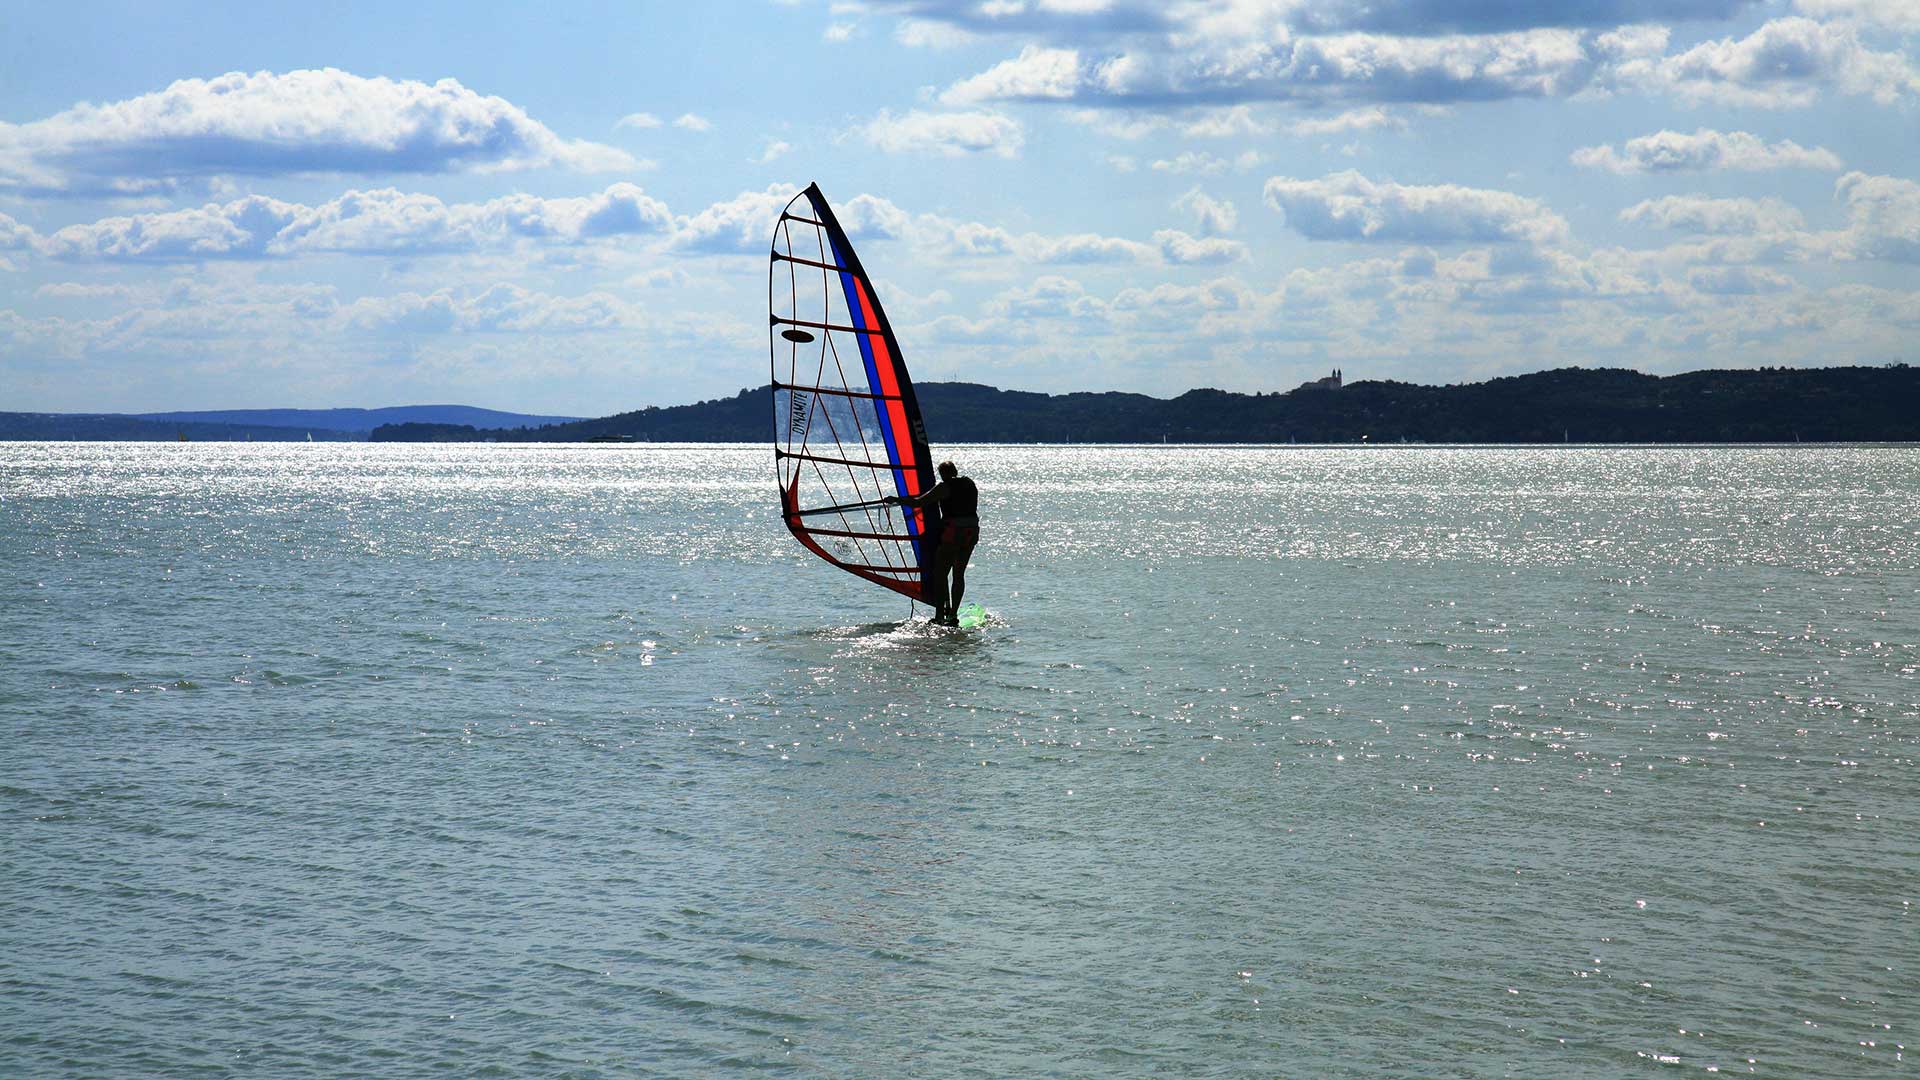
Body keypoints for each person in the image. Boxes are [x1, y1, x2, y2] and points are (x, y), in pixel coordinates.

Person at [883, 461, 978, 626]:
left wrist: (896, 499)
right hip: (971, 530)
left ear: (942, 474)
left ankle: (940, 615)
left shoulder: (944, 486)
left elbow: (918, 502)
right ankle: (953, 614)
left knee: (940, 574)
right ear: (955, 470)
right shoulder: (969, 483)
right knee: (958, 574)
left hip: (953, 532)